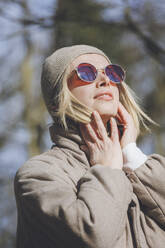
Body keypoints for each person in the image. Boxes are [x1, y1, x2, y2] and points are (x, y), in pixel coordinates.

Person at [14, 45, 165, 248]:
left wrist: (130, 153)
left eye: (112, 73)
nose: (105, 81)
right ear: (56, 99)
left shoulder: (140, 168)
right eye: (86, 73)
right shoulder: (38, 174)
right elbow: (93, 237)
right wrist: (107, 171)